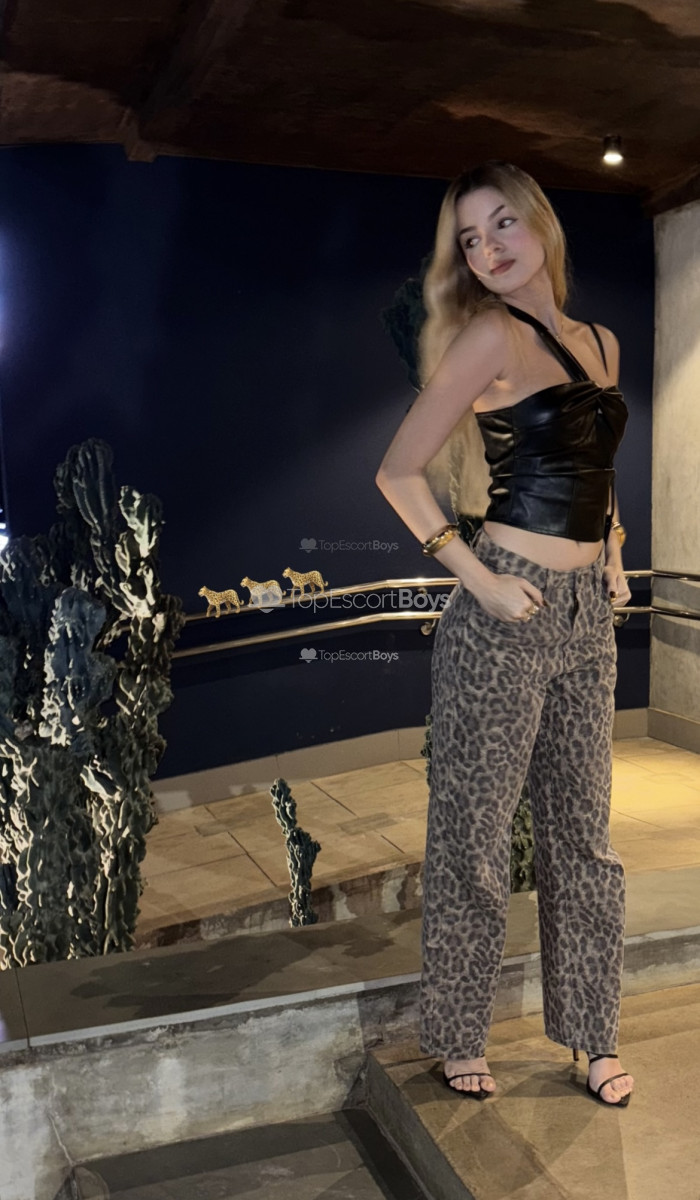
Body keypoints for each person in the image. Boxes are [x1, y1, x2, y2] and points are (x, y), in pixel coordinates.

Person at [375, 160, 635, 1108]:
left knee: (585, 839)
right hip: (504, 611)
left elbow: (599, 467)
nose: (487, 249)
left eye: (500, 225)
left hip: (585, 617)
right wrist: (479, 581)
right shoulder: (488, 335)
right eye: (469, 239)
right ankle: (457, 1034)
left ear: (540, 223)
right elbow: (398, 473)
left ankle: (593, 1035)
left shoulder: (600, 342)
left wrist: (615, 551)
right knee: (474, 837)